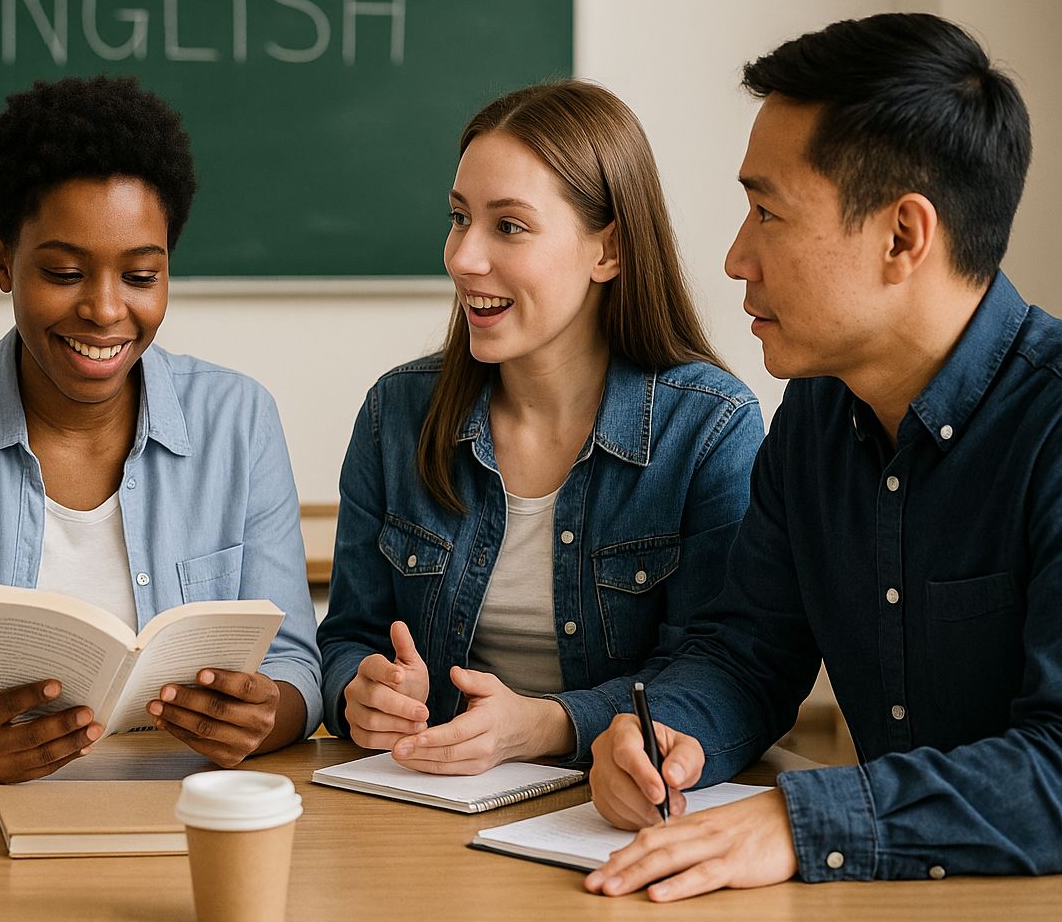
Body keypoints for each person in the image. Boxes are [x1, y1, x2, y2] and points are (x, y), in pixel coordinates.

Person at [585, 12, 1062, 901]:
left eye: (768, 211)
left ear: (902, 237)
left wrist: (801, 819)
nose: (735, 257)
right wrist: (664, 737)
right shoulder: (816, 412)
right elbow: (748, 650)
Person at [0, 75, 321, 781]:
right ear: (3, 258)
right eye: (64, 271)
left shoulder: (237, 421)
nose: (104, 310)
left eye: (141, 276)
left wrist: (262, 715)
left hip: (186, 809)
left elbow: (294, 667)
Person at [316, 80, 763, 775]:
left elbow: (720, 675)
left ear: (606, 251)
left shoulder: (709, 428)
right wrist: (360, 690)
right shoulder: (395, 414)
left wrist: (548, 726)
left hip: (607, 811)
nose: (463, 258)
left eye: (509, 226)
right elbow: (349, 635)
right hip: (426, 804)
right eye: (460, 218)